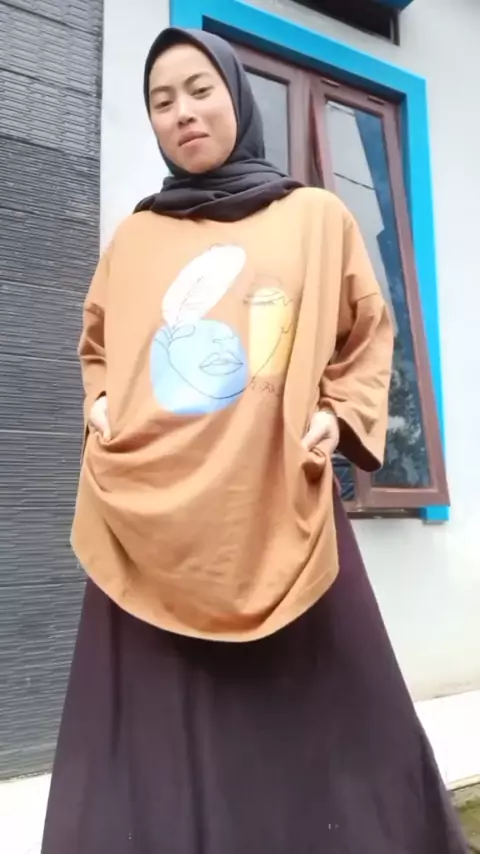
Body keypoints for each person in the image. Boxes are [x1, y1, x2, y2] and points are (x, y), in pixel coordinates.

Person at [42, 27, 467, 854]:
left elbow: (367, 332)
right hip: (149, 521)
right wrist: (101, 402)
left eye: (200, 90)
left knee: (330, 738)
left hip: (277, 507)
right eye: (162, 101)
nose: (183, 112)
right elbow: (98, 343)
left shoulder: (314, 219)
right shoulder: (135, 237)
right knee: (151, 752)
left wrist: (339, 414)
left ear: (236, 96)